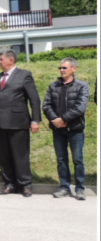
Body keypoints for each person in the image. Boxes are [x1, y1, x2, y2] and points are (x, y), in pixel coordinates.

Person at [0, 49, 41, 197]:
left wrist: (35, 120)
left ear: (10, 60)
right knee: (4, 156)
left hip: (18, 123)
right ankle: (10, 184)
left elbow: (34, 100)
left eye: (1, 59)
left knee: (20, 155)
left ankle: (25, 185)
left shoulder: (24, 75)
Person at [43, 58, 89, 201]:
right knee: (61, 159)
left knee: (78, 159)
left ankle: (80, 188)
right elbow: (46, 105)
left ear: (73, 69)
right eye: (60, 68)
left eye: (65, 68)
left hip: (75, 129)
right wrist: (56, 121)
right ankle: (64, 186)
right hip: (58, 130)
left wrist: (63, 119)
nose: (62, 70)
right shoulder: (53, 86)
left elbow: (81, 107)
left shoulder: (82, 86)